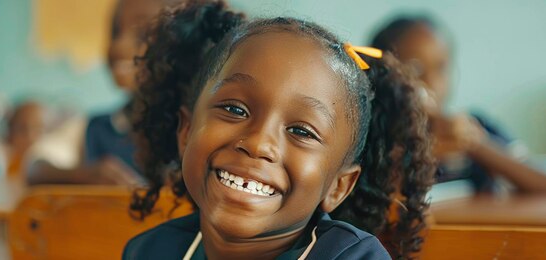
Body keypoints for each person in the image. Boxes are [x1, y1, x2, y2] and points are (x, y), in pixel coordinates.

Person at [124, 2, 436, 258]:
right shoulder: (149, 250)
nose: (259, 143)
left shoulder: (354, 258)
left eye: (302, 131)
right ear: (186, 131)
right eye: (235, 109)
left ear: (339, 186)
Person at [370, 16, 546, 193]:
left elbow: (540, 182)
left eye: (440, 67)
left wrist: (473, 143)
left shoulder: (477, 126)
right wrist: (428, 152)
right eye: (415, 70)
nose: (431, 82)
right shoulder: (376, 136)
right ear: (382, 74)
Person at [26, 0, 169, 186]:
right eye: (115, 33)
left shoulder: (200, 126)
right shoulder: (95, 127)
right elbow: (35, 167)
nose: (118, 46)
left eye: (142, 34)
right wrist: (82, 176)